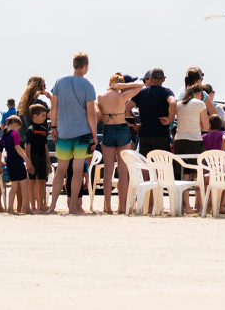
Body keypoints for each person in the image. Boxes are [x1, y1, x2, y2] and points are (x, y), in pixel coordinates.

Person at [50, 52, 98, 215]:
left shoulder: (59, 82)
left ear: (73, 65)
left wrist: (54, 127)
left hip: (63, 132)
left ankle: (52, 206)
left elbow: (54, 108)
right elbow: (91, 114)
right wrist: (94, 135)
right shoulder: (88, 86)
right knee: (77, 171)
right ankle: (72, 208)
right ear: (86, 66)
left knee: (60, 171)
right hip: (82, 134)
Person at [98, 73, 145, 213]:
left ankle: (108, 206)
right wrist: (125, 86)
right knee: (123, 171)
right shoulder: (122, 96)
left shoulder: (100, 97)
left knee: (108, 171)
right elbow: (141, 85)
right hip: (122, 129)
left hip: (108, 129)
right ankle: (122, 207)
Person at [171, 84, 213, 179]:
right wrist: (200, 127)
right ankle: (199, 194)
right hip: (193, 140)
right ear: (199, 93)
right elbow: (206, 125)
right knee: (197, 172)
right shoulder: (199, 103)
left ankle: (185, 194)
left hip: (179, 141)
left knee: (183, 172)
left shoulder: (179, 104)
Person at [132, 68, 175, 156]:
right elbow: (173, 103)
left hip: (144, 135)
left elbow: (127, 107)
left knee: (145, 165)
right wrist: (170, 119)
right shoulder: (166, 92)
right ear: (163, 80)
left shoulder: (142, 92)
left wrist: (134, 124)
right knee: (162, 166)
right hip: (161, 135)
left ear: (150, 79)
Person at [0, 115, 32, 214]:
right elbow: (17, 147)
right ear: (16, 124)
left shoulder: (3, 136)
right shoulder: (15, 134)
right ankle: (27, 208)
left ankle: (10, 208)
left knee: (14, 186)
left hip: (9, 162)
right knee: (24, 185)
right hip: (17, 161)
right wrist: (27, 160)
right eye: (18, 128)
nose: (18, 130)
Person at [26, 103, 52, 212]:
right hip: (33, 157)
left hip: (42, 158)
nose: (45, 117)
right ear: (34, 116)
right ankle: (33, 206)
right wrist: (29, 162)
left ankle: (41, 205)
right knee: (32, 182)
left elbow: (45, 146)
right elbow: (27, 147)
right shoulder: (30, 129)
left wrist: (49, 162)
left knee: (42, 181)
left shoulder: (44, 129)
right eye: (42, 115)